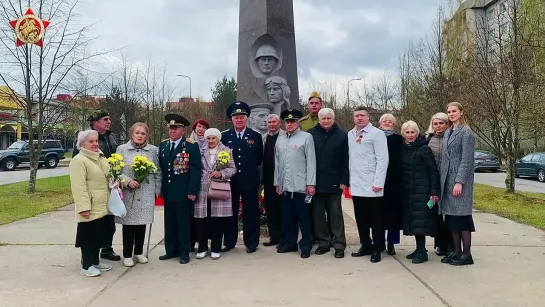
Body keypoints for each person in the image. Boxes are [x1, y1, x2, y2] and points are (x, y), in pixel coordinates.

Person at [73, 110, 120, 261]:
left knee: (108, 225)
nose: (109, 122)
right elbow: (79, 175)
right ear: (95, 123)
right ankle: (88, 259)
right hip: (92, 193)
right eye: (105, 119)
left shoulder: (111, 137)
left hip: (108, 190)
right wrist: (83, 204)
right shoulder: (84, 140)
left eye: (110, 119)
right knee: (90, 228)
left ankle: (106, 249)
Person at [115, 123, 162, 267]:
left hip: (146, 191)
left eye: (143, 133)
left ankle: (139, 252)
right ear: (132, 134)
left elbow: (157, 171)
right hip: (129, 192)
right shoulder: (122, 149)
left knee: (142, 223)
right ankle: (127, 254)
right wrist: (127, 181)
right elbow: (116, 170)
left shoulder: (153, 150)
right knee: (129, 225)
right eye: (137, 133)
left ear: (147, 135)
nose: (140, 136)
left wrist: (157, 191)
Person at [157, 114, 202, 264]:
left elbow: (196, 170)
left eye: (176, 128)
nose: (172, 131)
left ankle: (184, 252)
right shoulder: (163, 145)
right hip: (168, 191)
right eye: (170, 128)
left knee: (183, 223)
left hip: (183, 192)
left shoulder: (190, 145)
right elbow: (161, 169)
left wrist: (192, 191)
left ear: (183, 130)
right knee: (169, 222)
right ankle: (171, 250)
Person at [69, 130, 115, 277]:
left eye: (96, 141)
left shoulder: (100, 158)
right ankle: (86, 265)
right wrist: (84, 208)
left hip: (102, 204)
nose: (95, 144)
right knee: (87, 237)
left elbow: (110, 175)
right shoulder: (79, 160)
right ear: (82, 144)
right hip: (89, 206)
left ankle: (95, 261)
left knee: (98, 236)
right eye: (91, 141)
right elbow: (78, 186)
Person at [221, 101, 264, 253]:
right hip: (230, 180)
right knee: (229, 211)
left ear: (247, 118)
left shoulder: (256, 136)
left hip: (249, 180)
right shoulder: (224, 137)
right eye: (236, 117)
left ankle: (251, 242)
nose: (239, 120)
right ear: (231, 119)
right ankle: (229, 241)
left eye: (242, 117)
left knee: (251, 211)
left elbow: (258, 158)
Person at [348, 106, 388, 263]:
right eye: (356, 115)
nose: (359, 118)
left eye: (362, 115)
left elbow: (383, 159)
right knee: (361, 219)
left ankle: (377, 248)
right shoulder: (350, 134)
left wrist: (378, 182)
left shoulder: (377, 134)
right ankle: (365, 245)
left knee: (376, 220)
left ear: (368, 117)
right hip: (357, 184)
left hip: (372, 185)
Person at [274, 109, 316, 259]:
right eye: (287, 121)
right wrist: (277, 182)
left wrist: (311, 183)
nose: (290, 124)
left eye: (292, 121)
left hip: (301, 185)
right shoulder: (280, 139)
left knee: (303, 218)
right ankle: (290, 243)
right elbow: (277, 163)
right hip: (285, 186)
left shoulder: (306, 137)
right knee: (288, 217)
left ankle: (305, 245)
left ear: (298, 122)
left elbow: (311, 162)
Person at [307, 108, 348, 258]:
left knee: (335, 214)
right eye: (323, 118)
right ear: (319, 119)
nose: (326, 121)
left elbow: (346, 159)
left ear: (333, 118)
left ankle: (339, 245)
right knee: (318, 215)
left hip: (335, 182)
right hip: (316, 182)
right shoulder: (310, 134)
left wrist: (344, 179)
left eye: (328, 118)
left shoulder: (342, 135)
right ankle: (323, 242)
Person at [439, 102, 476, 266]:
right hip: (447, 181)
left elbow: (467, 160)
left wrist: (459, 182)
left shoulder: (466, 133)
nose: (451, 114)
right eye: (449, 112)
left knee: (462, 218)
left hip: (460, 183)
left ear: (461, 112)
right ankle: (456, 251)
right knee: (452, 219)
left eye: (454, 111)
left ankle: (467, 254)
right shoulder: (448, 132)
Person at [400, 121, 440, 264]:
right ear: (403, 133)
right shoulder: (403, 148)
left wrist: (434, 192)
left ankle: (422, 251)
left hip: (423, 191)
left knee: (420, 222)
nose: (410, 135)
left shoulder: (424, 149)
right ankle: (418, 248)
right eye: (407, 132)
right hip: (408, 191)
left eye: (413, 132)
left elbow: (433, 171)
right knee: (414, 221)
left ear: (417, 133)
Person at [194, 128, 236, 260]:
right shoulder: (200, 151)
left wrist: (221, 174)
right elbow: (196, 168)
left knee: (217, 219)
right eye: (208, 138)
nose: (211, 141)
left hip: (218, 188)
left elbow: (233, 168)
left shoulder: (226, 151)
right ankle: (202, 247)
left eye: (214, 138)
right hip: (203, 189)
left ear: (218, 138)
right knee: (202, 220)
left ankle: (216, 248)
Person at [424, 112, 453, 257]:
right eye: (435, 123)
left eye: (441, 123)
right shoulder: (428, 138)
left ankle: (450, 244)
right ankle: (440, 244)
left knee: (448, 213)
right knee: (436, 213)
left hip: (449, 179)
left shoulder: (452, 137)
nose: (438, 126)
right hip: (433, 180)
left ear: (447, 124)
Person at [299, 91, 323, 244]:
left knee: (322, 207)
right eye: (311, 103)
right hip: (306, 167)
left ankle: (324, 235)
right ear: (308, 105)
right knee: (307, 205)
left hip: (323, 167)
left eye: (316, 103)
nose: (314, 106)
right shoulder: (302, 123)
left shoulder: (326, 120)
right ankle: (310, 235)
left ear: (321, 104)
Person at [378, 113, 404, 255]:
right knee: (378, 213)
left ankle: (392, 243)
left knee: (393, 214)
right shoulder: (375, 137)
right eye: (385, 121)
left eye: (390, 122)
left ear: (394, 125)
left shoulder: (399, 140)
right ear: (380, 123)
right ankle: (379, 241)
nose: (387, 123)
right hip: (378, 181)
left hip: (394, 181)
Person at [261, 114, 285, 247]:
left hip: (282, 179)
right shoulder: (263, 137)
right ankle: (273, 237)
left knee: (282, 208)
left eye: (274, 122)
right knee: (270, 209)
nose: (271, 124)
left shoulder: (285, 136)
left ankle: (283, 237)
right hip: (267, 179)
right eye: (269, 122)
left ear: (279, 123)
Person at [188, 118, 211, 251]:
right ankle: (190, 242)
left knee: (204, 215)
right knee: (191, 215)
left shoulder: (211, 142)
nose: (201, 129)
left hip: (207, 184)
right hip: (191, 183)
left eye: (204, 127)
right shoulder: (188, 143)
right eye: (199, 126)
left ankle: (203, 242)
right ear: (194, 128)